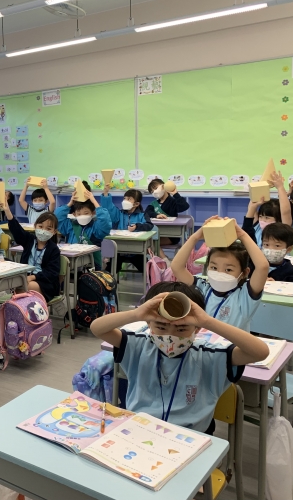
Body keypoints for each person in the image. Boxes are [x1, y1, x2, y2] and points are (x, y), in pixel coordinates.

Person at [91, 282, 269, 434]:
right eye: (161, 327)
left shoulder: (210, 356)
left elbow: (260, 352)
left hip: (192, 438)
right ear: (148, 324)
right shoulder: (137, 346)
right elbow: (97, 328)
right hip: (139, 431)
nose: (170, 335)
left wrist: (207, 321)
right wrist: (137, 314)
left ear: (197, 328)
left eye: (182, 329)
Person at [171, 216, 269, 331]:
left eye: (228, 270)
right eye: (214, 267)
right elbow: (177, 267)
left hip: (232, 343)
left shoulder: (245, 295)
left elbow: (262, 267)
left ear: (244, 273)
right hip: (203, 341)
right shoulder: (202, 287)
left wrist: (242, 235)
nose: (219, 273)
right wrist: (195, 237)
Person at [3, 205, 60, 300]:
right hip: (25, 277)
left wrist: (33, 277)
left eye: (48, 228)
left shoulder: (53, 249)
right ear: (35, 226)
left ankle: (19, 305)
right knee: (15, 282)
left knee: (23, 286)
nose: (43, 231)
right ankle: (21, 305)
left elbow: (51, 273)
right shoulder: (29, 240)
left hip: (45, 283)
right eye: (40, 226)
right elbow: (17, 230)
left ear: (54, 231)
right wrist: (8, 211)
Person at [55, 188, 111, 269]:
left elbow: (105, 222)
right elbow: (57, 217)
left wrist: (94, 201)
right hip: (72, 261)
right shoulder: (71, 225)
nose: (82, 216)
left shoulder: (96, 227)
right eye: (79, 214)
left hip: (92, 264)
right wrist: (70, 203)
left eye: (86, 213)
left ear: (93, 213)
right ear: (74, 214)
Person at [101, 186, 153, 272]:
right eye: (124, 198)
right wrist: (106, 194)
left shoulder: (142, 215)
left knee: (147, 270)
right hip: (119, 250)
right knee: (110, 269)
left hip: (136, 251)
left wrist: (137, 226)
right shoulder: (119, 213)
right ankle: (107, 280)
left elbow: (149, 225)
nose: (125, 201)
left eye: (129, 199)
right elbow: (109, 209)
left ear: (136, 204)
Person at [242, 171, 293, 244]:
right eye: (260, 217)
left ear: (279, 218)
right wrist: (257, 190)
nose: (262, 220)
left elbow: (285, 211)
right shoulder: (257, 227)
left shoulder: (283, 230)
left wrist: (280, 187)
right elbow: (251, 210)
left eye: (267, 218)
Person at [145, 178, 190, 246]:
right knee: (149, 242)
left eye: (156, 188)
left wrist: (175, 194)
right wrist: (156, 215)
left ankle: (160, 254)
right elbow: (147, 213)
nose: (154, 192)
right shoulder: (153, 203)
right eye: (152, 191)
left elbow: (185, 206)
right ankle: (161, 254)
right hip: (157, 232)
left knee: (151, 243)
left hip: (172, 235)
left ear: (163, 186)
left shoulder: (173, 201)